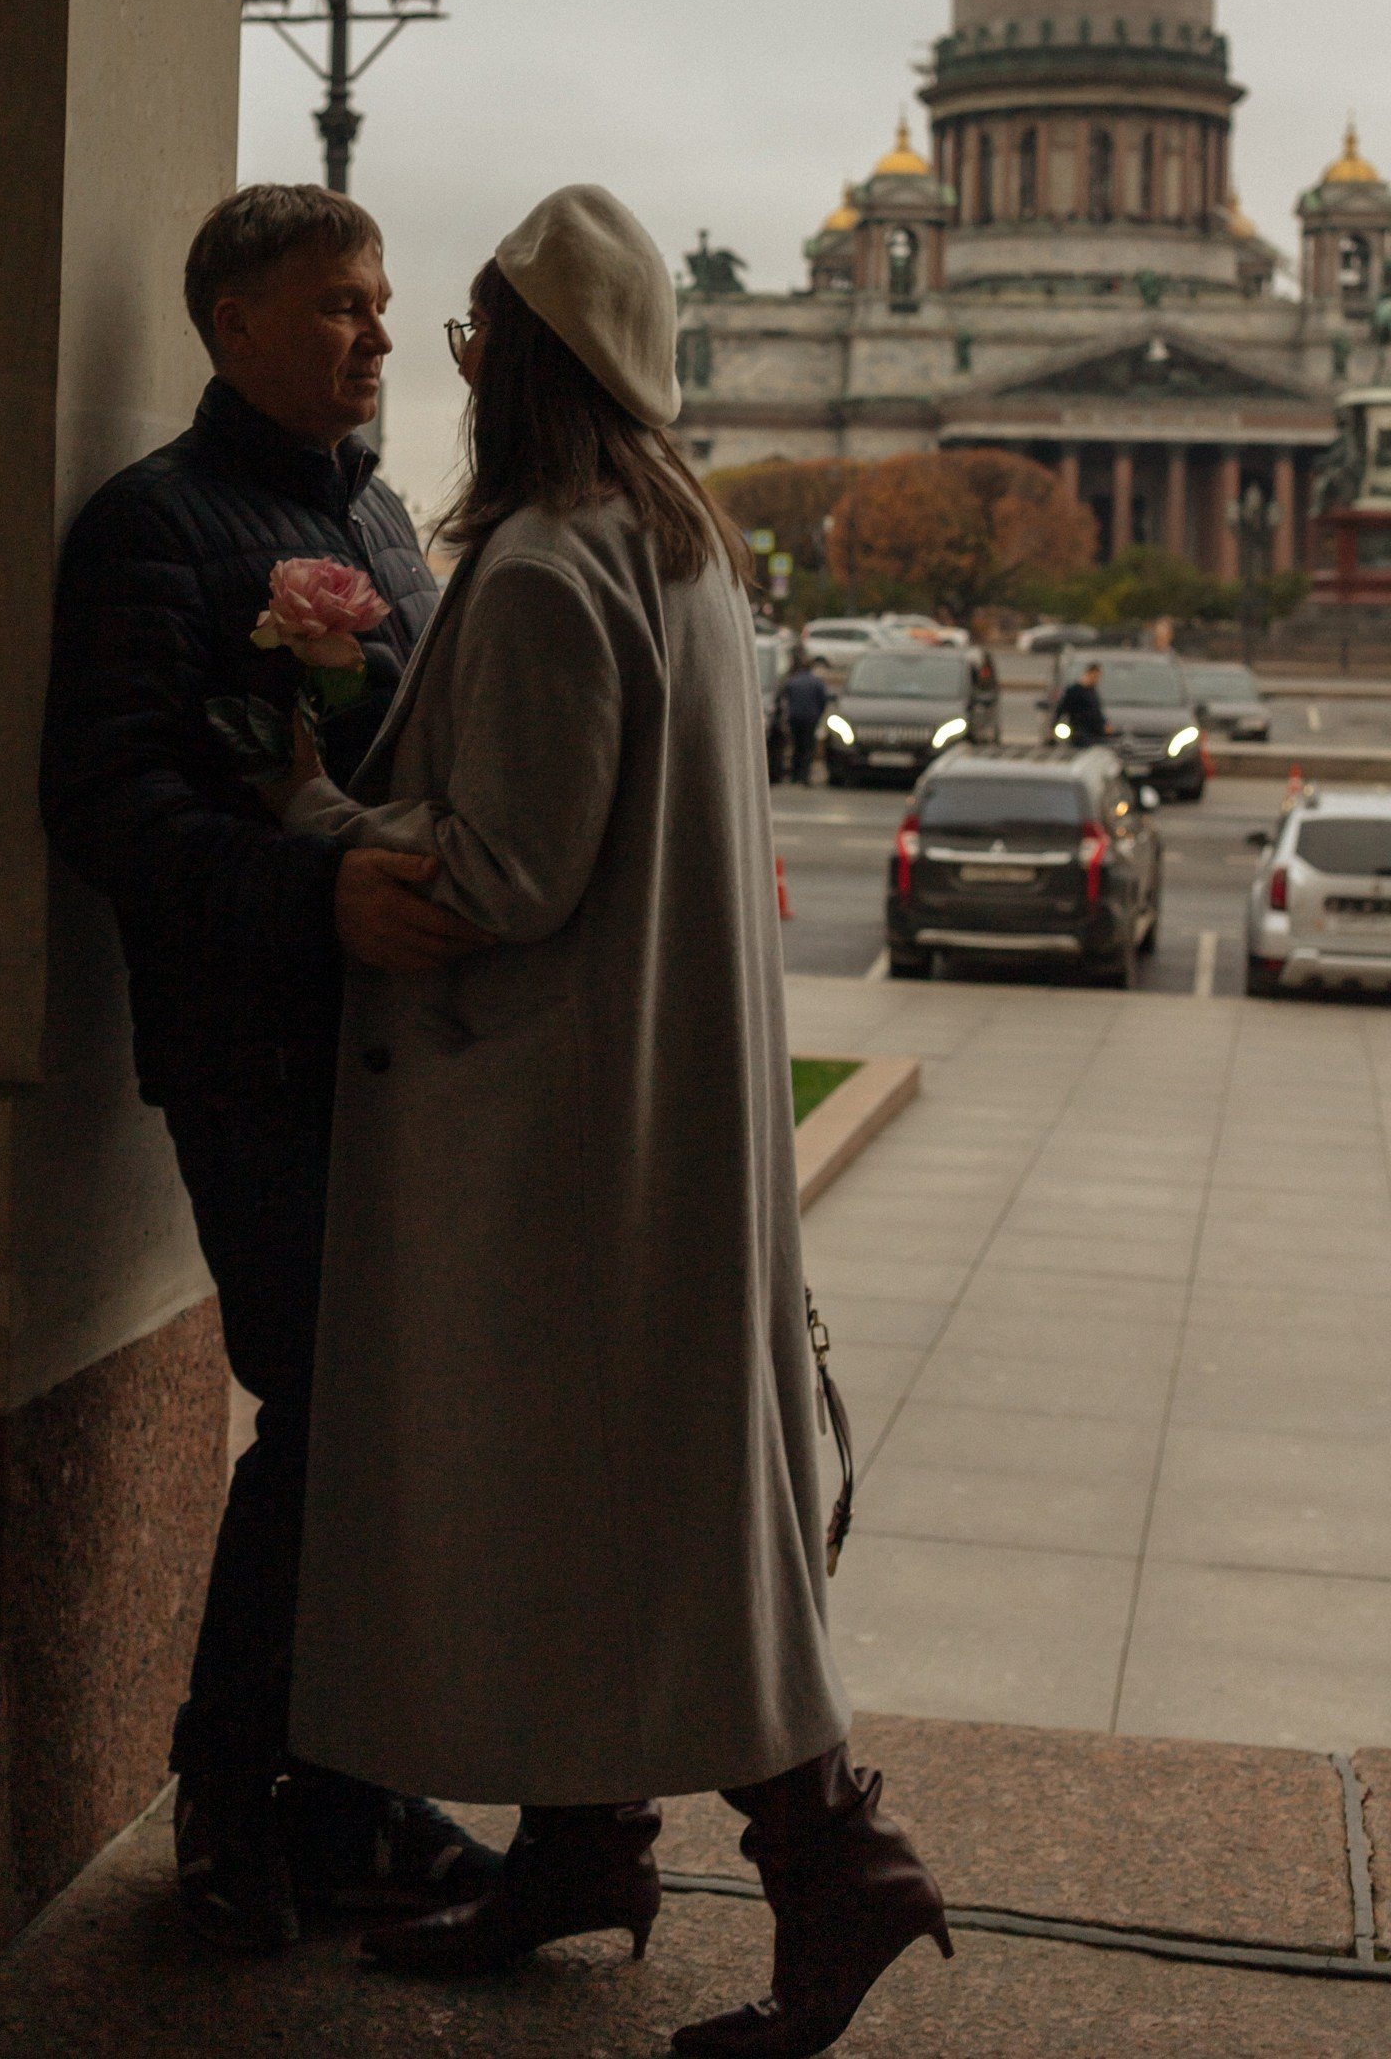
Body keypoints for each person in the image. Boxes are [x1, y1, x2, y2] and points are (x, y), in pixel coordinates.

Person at [265, 186, 949, 2057]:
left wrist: (322, 815)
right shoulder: (686, 547)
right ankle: (582, 1847)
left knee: (638, 1513)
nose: (460, 365)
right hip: (653, 1125)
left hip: (563, 1136)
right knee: (629, 1506)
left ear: (538, 364)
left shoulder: (561, 562)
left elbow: (509, 874)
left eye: (482, 336)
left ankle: (838, 1864)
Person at [40, 184, 501, 1954]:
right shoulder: (151, 527)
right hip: (256, 1055)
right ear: (229, 322)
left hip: (402, 1055)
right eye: (340, 309)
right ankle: (235, 1810)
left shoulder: (380, 515)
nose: (380, 341)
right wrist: (324, 894)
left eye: (382, 309)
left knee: (377, 1427)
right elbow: (108, 809)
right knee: (327, 1417)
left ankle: (345, 1797)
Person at [779, 650, 831, 785]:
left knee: (797, 746)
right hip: (810, 719)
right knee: (808, 747)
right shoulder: (816, 682)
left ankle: (795, 776)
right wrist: (818, 715)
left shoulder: (793, 681)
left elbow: (784, 699)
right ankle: (804, 776)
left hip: (795, 718)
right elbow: (823, 701)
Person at [1052, 658, 1109, 745]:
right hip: (1080, 733)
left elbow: (1096, 712)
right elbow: (1062, 709)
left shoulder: (1092, 691)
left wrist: (1104, 725)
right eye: (1096, 676)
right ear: (1090, 674)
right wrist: (1052, 727)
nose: (1097, 679)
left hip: (1095, 733)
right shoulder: (1074, 691)